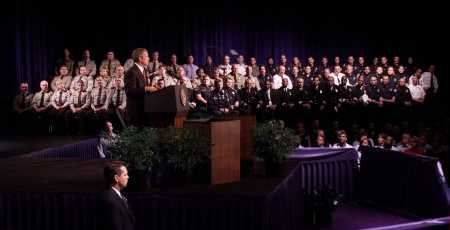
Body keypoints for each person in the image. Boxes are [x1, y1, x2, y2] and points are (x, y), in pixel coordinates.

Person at [99, 163, 135, 230]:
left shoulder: (117, 195)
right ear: (116, 178)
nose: (128, 177)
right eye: (125, 175)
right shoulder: (110, 200)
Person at [125, 48, 151, 126]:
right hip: (135, 112)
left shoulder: (144, 71)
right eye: (147, 56)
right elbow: (129, 92)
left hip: (144, 109)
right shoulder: (131, 72)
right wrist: (146, 88)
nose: (149, 58)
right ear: (140, 58)